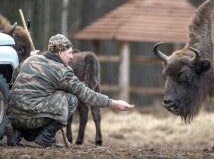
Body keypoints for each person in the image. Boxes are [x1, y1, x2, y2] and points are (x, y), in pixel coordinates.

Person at [5, 34, 134, 147]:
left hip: (12, 116)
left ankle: (17, 132)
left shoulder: (30, 59)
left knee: (29, 100)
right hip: (32, 118)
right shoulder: (63, 71)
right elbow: (86, 94)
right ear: (60, 53)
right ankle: (46, 137)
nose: (72, 57)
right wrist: (114, 103)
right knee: (71, 98)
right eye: (70, 53)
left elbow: (15, 79)